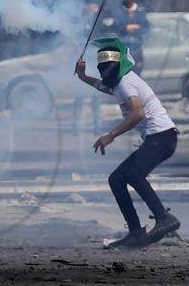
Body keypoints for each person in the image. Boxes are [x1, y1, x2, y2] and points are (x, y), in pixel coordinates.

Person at [75, 38, 180, 249]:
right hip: (157, 139)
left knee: (133, 174)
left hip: (162, 137)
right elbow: (103, 86)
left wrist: (110, 135)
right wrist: (83, 76)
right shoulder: (118, 82)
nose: (105, 74)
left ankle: (164, 219)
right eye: (102, 69)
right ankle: (135, 232)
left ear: (118, 65)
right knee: (116, 179)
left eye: (108, 69)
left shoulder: (125, 82)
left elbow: (138, 113)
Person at [73, 1, 105, 135]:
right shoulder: (78, 22)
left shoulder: (99, 24)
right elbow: (72, 37)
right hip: (81, 61)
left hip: (95, 62)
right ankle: (76, 126)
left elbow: (103, 40)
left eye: (96, 6)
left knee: (95, 96)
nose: (94, 9)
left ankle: (97, 127)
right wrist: (78, 48)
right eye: (91, 6)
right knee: (79, 97)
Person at [113, 0, 149, 75]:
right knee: (124, 74)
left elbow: (146, 27)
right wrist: (126, 28)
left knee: (137, 74)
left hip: (137, 48)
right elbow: (116, 26)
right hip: (123, 48)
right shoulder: (118, 10)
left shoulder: (141, 10)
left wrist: (136, 28)